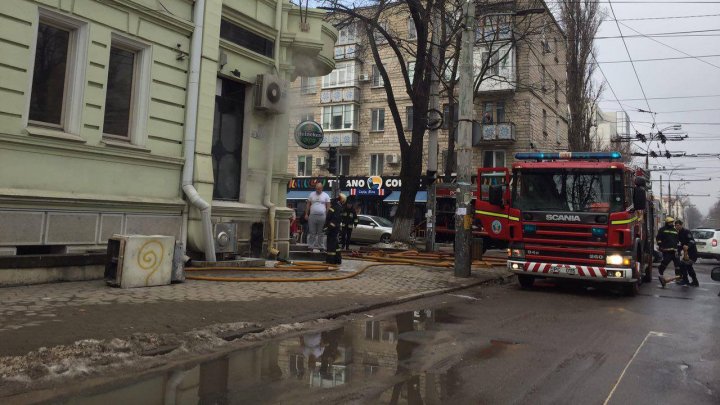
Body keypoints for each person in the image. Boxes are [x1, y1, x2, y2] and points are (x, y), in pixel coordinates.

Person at [305, 183, 330, 252]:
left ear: (322, 188)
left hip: (322, 216)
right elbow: (308, 205)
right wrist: (306, 214)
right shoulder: (311, 194)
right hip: (312, 216)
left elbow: (328, 206)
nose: (317, 190)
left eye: (318, 189)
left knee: (321, 233)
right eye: (316, 188)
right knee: (312, 232)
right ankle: (311, 247)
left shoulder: (326, 195)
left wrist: (327, 216)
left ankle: (321, 247)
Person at [656, 216, 680, 286]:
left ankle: (678, 277)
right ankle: (660, 273)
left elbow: (677, 240)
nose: (671, 223)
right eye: (670, 222)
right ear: (667, 223)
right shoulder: (662, 229)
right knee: (665, 262)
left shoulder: (675, 230)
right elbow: (658, 238)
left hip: (674, 251)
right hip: (666, 250)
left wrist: (677, 248)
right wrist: (660, 245)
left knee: (677, 264)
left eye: (672, 222)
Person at [676, 219, 699, 287]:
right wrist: (677, 249)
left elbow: (692, 241)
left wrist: (688, 246)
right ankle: (693, 281)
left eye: (678, 225)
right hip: (686, 254)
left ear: (681, 225)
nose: (677, 227)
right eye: (676, 225)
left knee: (684, 265)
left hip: (692, 253)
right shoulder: (679, 233)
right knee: (687, 266)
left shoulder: (686, 232)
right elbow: (681, 244)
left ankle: (687, 281)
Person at [324, 193, 345, 264]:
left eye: (338, 198)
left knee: (331, 245)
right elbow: (330, 218)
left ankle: (331, 260)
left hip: (333, 229)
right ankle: (337, 259)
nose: (335, 198)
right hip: (333, 228)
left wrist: (328, 228)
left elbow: (334, 220)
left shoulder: (337, 207)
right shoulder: (335, 206)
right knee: (335, 245)